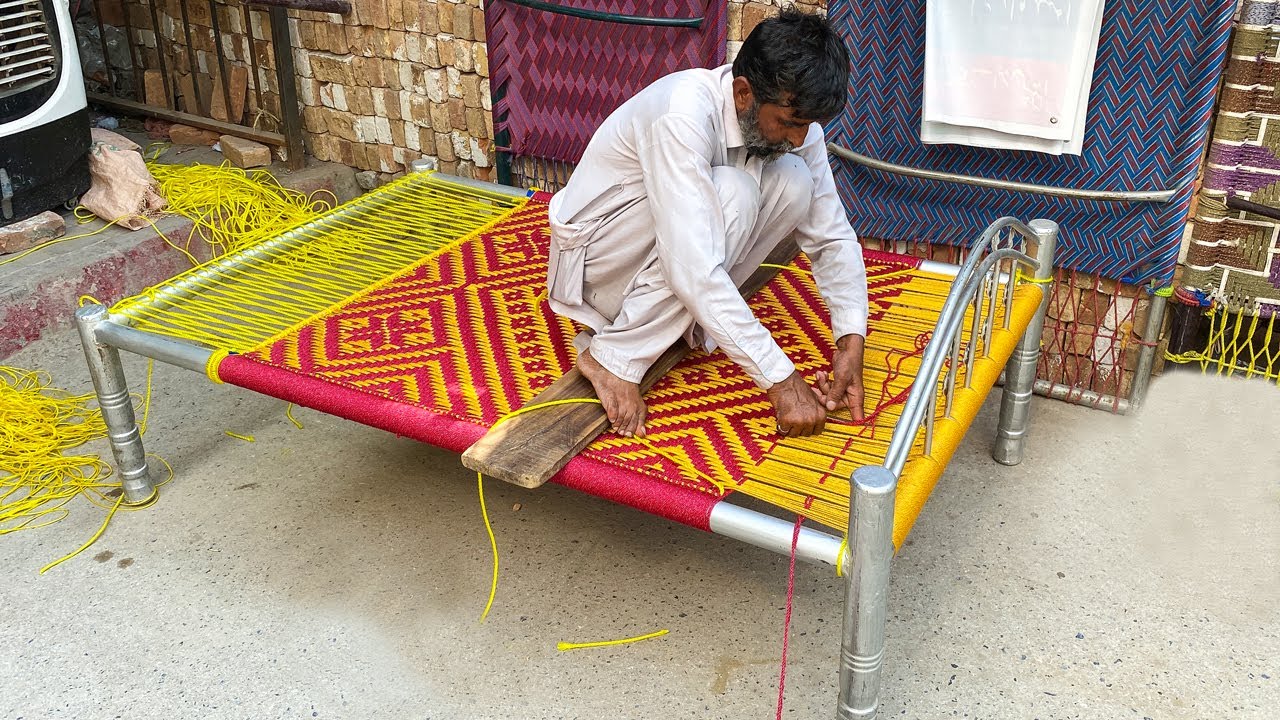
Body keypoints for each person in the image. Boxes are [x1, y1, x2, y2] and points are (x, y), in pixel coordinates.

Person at [544, 8, 869, 440]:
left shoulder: (798, 130)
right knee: (735, 191)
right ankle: (613, 357)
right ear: (742, 94)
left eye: (806, 125)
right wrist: (781, 380)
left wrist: (850, 338)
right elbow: (692, 267)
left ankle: (686, 322)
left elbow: (830, 234)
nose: (798, 137)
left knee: (794, 180)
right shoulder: (682, 113)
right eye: (789, 123)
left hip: (663, 259)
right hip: (596, 265)